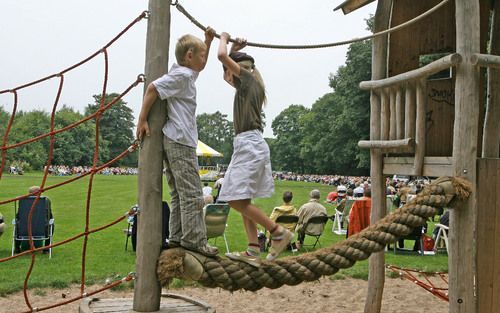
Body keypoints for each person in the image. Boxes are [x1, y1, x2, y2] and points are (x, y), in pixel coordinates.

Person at [135, 28, 218, 257]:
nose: (204, 60)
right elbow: (153, 88)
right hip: (181, 140)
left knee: (179, 193)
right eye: (201, 55)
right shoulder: (182, 76)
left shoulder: (187, 74)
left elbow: (200, 65)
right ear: (189, 56)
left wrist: (208, 42)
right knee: (192, 193)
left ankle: (177, 237)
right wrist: (141, 119)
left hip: (176, 139)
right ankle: (194, 241)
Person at [216, 33, 293, 266]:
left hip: (249, 145)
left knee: (233, 199)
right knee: (241, 198)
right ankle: (252, 248)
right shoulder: (248, 85)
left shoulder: (248, 81)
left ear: (239, 70)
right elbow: (225, 66)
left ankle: (277, 232)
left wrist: (224, 38)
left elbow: (220, 55)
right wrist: (233, 51)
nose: (226, 77)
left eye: (229, 70)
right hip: (247, 144)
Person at [14, 186, 54, 253]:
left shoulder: (23, 201)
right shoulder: (45, 200)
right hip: (41, 229)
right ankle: (46, 249)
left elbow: (18, 216)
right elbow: (49, 215)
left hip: (24, 229)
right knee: (51, 224)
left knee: (17, 224)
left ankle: (17, 248)